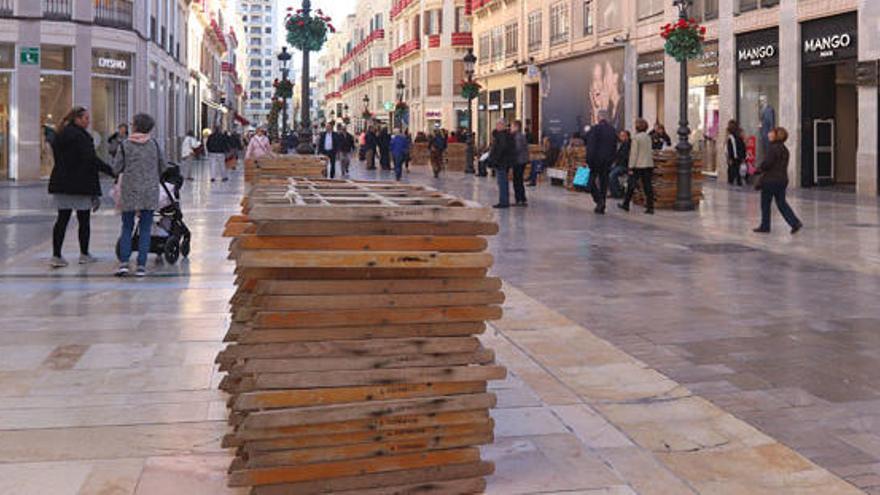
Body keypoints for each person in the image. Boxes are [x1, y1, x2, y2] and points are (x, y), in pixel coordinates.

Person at [47, 106, 115, 268]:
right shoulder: (82, 137)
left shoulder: (61, 134)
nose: (88, 121)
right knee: (83, 220)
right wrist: (111, 171)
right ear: (76, 119)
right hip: (81, 184)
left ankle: (56, 255)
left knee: (62, 219)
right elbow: (91, 160)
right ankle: (84, 254)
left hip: (62, 183)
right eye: (85, 118)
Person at [110, 113, 167, 277]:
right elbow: (163, 166)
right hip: (149, 191)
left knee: (127, 227)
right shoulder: (154, 145)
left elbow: (116, 168)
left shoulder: (125, 145)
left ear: (135, 126)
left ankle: (124, 263)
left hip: (129, 190)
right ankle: (141, 265)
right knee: (145, 228)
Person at [754, 127, 802, 235]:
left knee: (765, 204)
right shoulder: (785, 149)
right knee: (781, 203)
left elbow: (767, 164)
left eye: (771, 133)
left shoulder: (773, 148)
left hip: (770, 181)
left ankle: (765, 226)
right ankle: (794, 222)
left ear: (776, 135)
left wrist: (758, 169)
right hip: (782, 180)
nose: (768, 134)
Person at [584, 110, 618, 214]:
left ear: (598, 117)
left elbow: (591, 147)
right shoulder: (612, 130)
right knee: (604, 183)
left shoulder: (595, 129)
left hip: (595, 161)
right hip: (607, 161)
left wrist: (588, 161)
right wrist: (612, 160)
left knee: (589, 182)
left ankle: (599, 200)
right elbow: (614, 147)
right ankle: (601, 205)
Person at [618, 119, 655, 214]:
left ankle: (626, 204)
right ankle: (650, 207)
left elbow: (634, 153)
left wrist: (631, 166)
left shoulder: (636, 138)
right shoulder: (648, 137)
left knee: (631, 185)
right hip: (648, 164)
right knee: (647, 186)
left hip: (638, 165)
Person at [487, 119, 515, 208]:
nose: (497, 126)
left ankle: (503, 202)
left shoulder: (502, 135)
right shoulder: (505, 135)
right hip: (504, 162)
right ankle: (504, 200)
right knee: (503, 182)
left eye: (498, 124)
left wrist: (495, 159)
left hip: (502, 162)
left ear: (502, 125)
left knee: (502, 182)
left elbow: (501, 148)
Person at [510, 120, 528, 207]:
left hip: (518, 161)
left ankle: (519, 200)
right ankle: (522, 199)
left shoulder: (517, 137)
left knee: (517, 180)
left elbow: (517, 149)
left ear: (517, 127)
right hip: (522, 160)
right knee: (519, 180)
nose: (511, 128)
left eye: (512, 126)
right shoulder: (521, 135)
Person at [609, 130, 631, 199]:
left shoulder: (628, 144)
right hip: (619, 164)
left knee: (612, 175)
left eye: (623, 136)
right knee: (606, 171)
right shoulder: (621, 144)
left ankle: (617, 193)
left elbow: (624, 157)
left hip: (624, 165)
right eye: (620, 135)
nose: (621, 137)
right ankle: (613, 191)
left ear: (627, 137)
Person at [725, 120, 746, 186]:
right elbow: (743, 147)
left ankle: (733, 183)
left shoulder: (731, 137)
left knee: (732, 171)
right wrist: (743, 156)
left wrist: (730, 157)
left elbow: (730, 148)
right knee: (738, 171)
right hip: (739, 156)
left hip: (735, 157)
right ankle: (739, 182)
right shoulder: (739, 137)